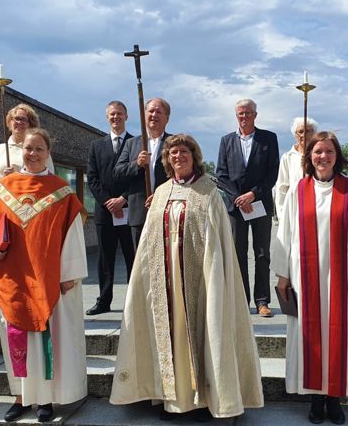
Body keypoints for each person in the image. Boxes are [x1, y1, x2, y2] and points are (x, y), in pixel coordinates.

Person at [110, 134, 264, 421]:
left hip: (199, 279)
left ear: (194, 157)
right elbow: (148, 240)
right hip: (165, 280)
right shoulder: (161, 193)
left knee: (202, 331)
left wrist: (213, 278)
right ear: (167, 160)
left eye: (184, 152)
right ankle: (172, 399)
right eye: (173, 153)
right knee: (169, 334)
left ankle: (203, 400)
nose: (178, 157)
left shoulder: (209, 192)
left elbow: (219, 241)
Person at [0, 128, 88, 423]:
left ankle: (45, 398)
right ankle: (20, 396)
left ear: (48, 153)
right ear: (20, 150)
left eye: (39, 149)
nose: (33, 154)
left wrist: (70, 273)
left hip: (47, 275)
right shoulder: (2, 187)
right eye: (28, 148)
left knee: (45, 338)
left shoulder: (62, 190)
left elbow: (73, 233)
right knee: (16, 337)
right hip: (12, 275)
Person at [271, 132, 348, 425]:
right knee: (310, 337)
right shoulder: (298, 189)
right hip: (305, 278)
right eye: (318, 151)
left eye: (329, 151)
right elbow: (285, 233)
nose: (323, 157)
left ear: (337, 156)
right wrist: (283, 275)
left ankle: (334, 399)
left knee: (340, 336)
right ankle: (316, 399)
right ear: (309, 157)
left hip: (341, 278)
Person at [216, 99, 280, 317]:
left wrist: (252, 194)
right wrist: (238, 198)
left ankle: (262, 301)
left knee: (262, 253)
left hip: (260, 203)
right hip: (236, 207)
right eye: (240, 113)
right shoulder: (226, 141)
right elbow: (221, 174)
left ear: (255, 115)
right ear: (236, 116)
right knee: (238, 253)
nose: (244, 117)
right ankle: (241, 301)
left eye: (248, 113)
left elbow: (272, 172)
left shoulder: (268, 138)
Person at [85, 101, 135, 315]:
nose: (116, 117)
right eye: (112, 114)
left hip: (130, 211)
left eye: (120, 114)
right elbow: (92, 178)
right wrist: (108, 202)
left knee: (133, 257)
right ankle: (103, 301)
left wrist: (123, 199)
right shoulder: (96, 146)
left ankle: (134, 303)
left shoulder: (136, 144)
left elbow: (140, 177)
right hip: (105, 213)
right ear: (107, 117)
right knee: (105, 259)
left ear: (126, 116)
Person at [113, 97, 172, 248]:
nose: (154, 115)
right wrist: (137, 164)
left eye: (159, 112)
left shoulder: (174, 143)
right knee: (140, 260)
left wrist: (161, 196)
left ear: (167, 118)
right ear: (144, 115)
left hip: (167, 213)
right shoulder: (131, 143)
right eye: (151, 111)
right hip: (139, 214)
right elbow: (118, 172)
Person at [0, 103, 55, 196]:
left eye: (24, 119)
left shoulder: (39, 152)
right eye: (17, 118)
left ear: (30, 125)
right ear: (10, 122)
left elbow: (49, 181)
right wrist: (2, 177)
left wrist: (20, 177)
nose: (20, 122)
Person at [274, 116, 316, 216]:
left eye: (308, 131)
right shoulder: (287, 157)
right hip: (294, 210)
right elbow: (282, 188)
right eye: (300, 131)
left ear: (314, 133)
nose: (304, 135)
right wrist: (282, 214)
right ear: (295, 135)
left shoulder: (320, 156)